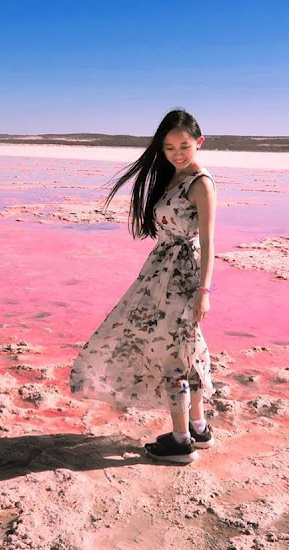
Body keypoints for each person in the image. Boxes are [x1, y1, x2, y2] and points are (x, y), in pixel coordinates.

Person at [69, 108, 217, 464]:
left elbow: (210, 242)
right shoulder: (171, 177)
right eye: (169, 147)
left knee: (174, 353)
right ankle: (198, 428)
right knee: (186, 348)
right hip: (159, 273)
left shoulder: (201, 183)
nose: (177, 153)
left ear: (199, 142)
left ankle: (180, 442)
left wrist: (204, 292)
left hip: (182, 277)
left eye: (184, 145)